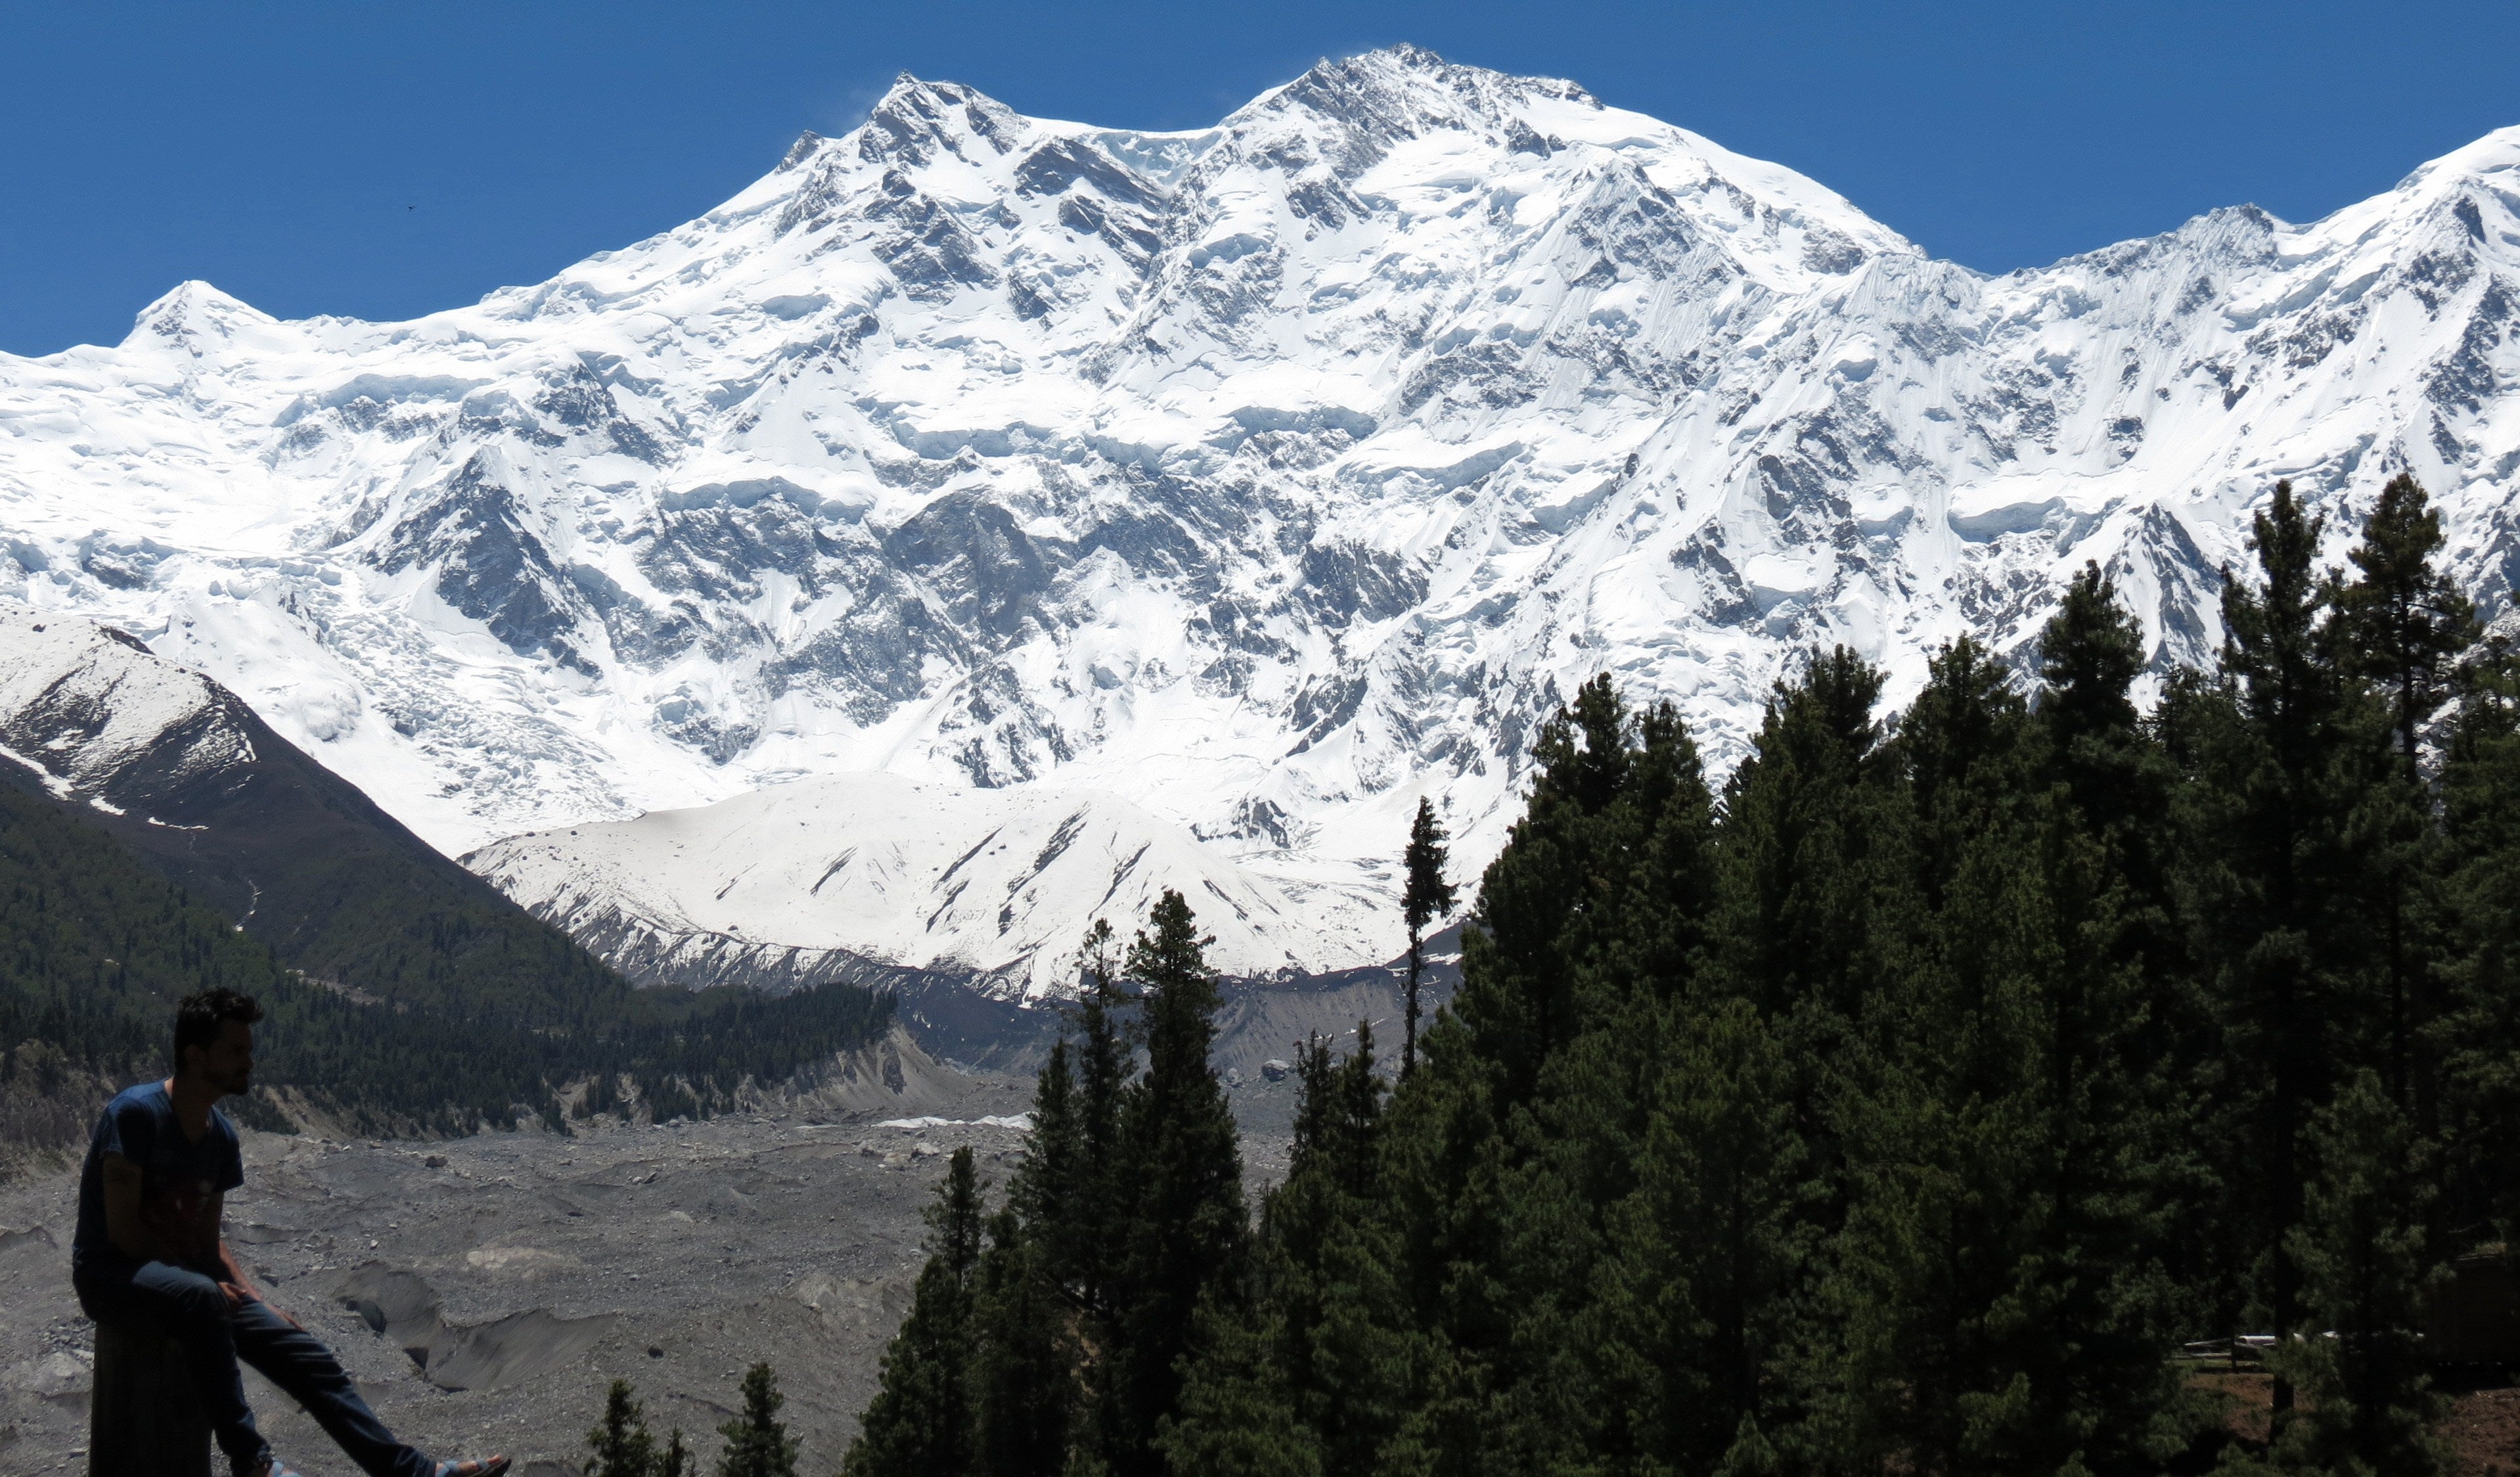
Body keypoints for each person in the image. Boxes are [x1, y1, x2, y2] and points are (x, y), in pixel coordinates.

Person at [71, 986, 510, 1477]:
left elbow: (207, 1243)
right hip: (112, 1278)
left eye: (250, 1051)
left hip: (194, 1289)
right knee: (202, 1300)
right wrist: (210, 1290)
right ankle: (251, 1462)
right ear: (196, 1055)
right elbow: (123, 1233)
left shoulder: (221, 1137)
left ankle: (412, 1472)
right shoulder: (135, 1115)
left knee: (305, 1354)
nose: (249, 1063)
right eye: (237, 1051)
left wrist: (254, 1299)